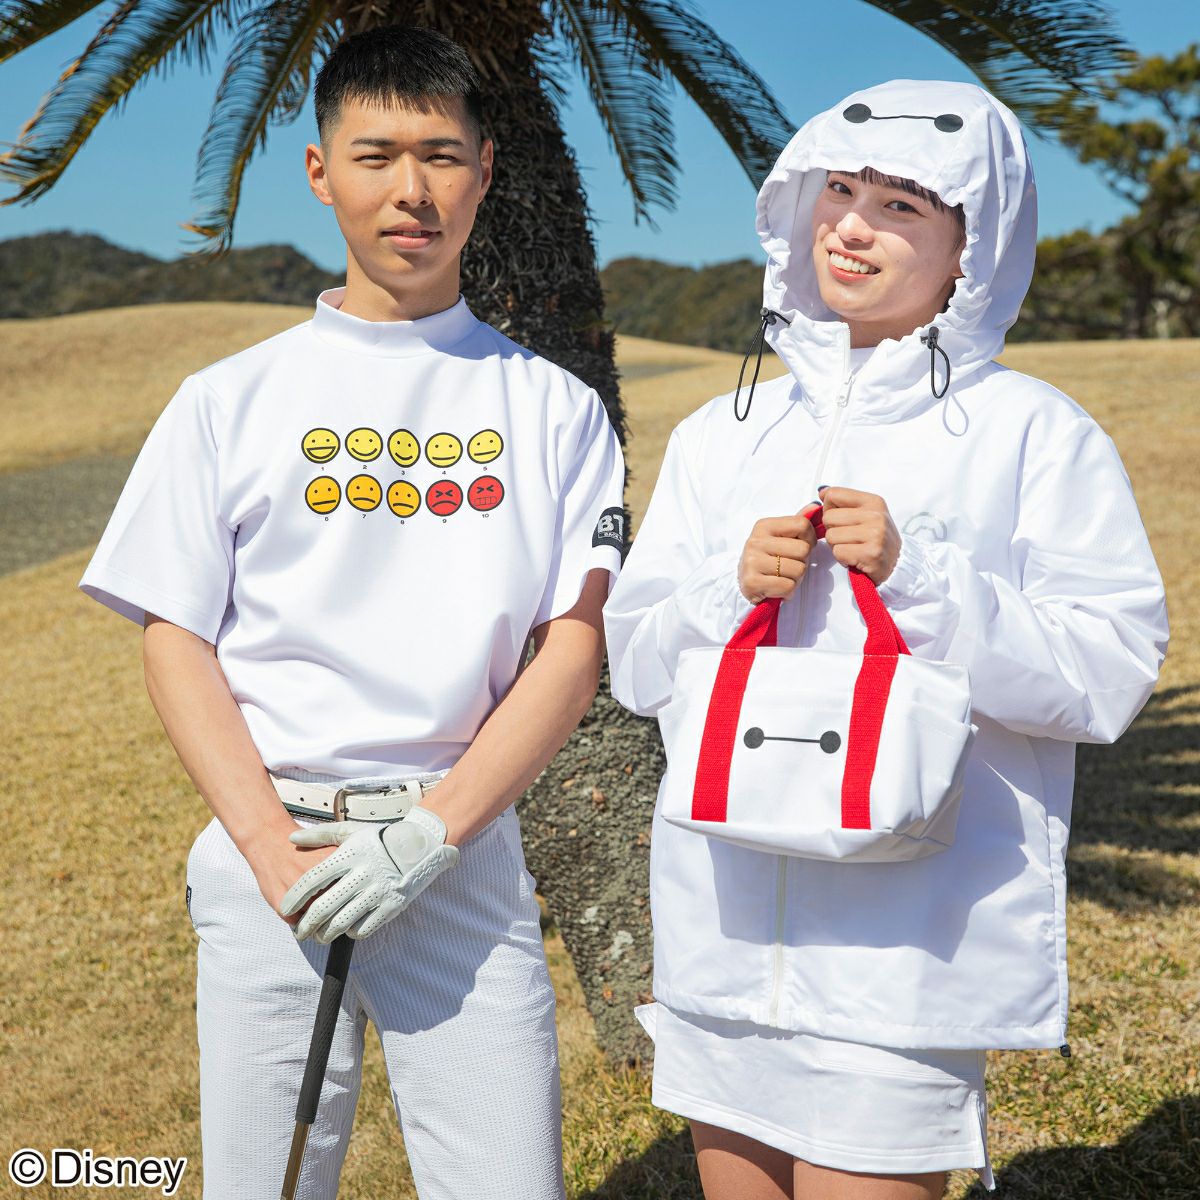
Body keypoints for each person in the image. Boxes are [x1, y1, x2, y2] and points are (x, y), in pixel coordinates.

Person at [78, 26, 624, 1200]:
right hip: (269, 852)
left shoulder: (556, 410)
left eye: (442, 155)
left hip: (458, 860)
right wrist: (267, 849)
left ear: (485, 171)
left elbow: (571, 651)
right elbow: (176, 639)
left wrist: (432, 835)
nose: (411, 190)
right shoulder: (229, 398)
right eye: (375, 156)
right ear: (322, 172)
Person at [602, 78, 1168, 1200]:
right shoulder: (725, 431)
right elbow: (638, 666)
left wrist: (923, 582)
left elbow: (1107, 671)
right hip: (722, 940)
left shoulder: (1032, 433)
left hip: (904, 959)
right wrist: (726, 588)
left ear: (974, 249)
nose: (852, 227)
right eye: (839, 192)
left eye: (902, 206)